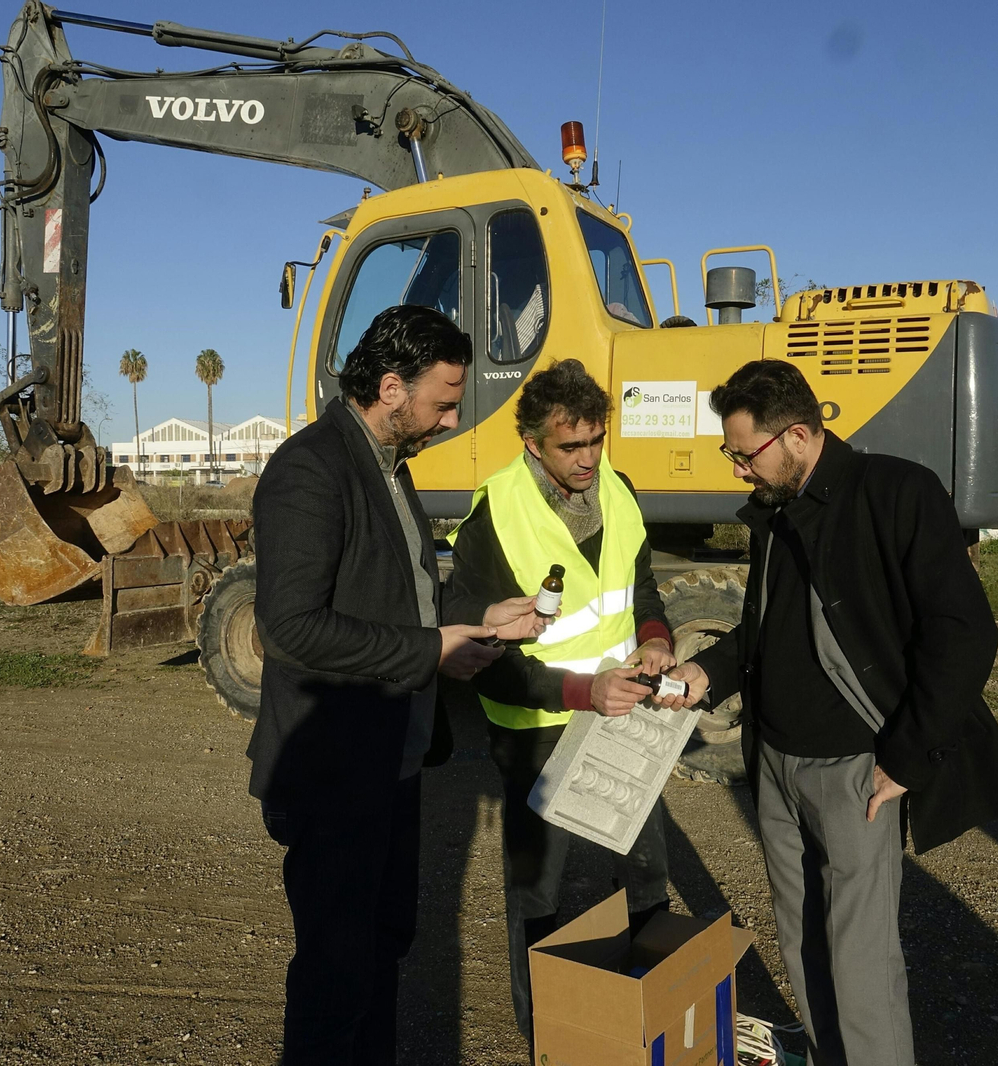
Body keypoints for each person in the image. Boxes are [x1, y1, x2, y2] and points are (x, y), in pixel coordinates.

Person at [665, 360, 998, 1066]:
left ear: (798, 435)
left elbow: (964, 632)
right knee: (799, 936)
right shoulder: (775, 511)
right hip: (773, 765)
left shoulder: (896, 493)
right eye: (732, 454)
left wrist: (906, 755)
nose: (738, 470)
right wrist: (704, 670)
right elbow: (765, 629)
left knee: (859, 961)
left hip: (855, 771)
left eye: (745, 454)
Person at [246, 304, 546, 1066]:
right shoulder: (311, 469)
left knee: (383, 951)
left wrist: (475, 622)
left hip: (393, 761)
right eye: (443, 402)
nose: (449, 420)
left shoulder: (388, 468)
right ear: (390, 386)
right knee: (334, 977)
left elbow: (397, 598)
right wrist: (427, 649)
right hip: (334, 768)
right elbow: (289, 628)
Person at [444, 358, 684, 1041]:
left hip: (621, 715)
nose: (586, 459)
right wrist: (584, 690)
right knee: (539, 896)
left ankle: (656, 1024)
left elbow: (640, 591)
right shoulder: (496, 512)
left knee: (646, 877)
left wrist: (657, 638)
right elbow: (481, 656)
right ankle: (547, 1039)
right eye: (569, 446)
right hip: (535, 729)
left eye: (595, 441)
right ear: (532, 443)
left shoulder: (620, 488)